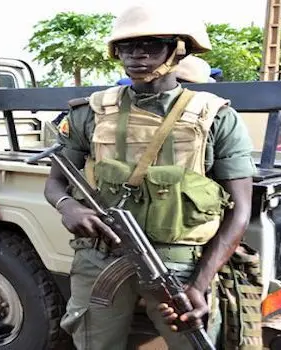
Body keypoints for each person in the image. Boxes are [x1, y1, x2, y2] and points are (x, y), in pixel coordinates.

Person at [44, 4, 258, 350]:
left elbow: (240, 211)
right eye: (127, 47)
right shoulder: (91, 112)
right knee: (94, 343)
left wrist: (201, 282)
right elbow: (55, 182)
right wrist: (68, 206)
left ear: (178, 49)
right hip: (102, 255)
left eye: (152, 45)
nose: (137, 55)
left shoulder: (216, 118)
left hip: (180, 263)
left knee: (194, 342)